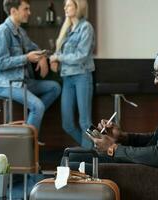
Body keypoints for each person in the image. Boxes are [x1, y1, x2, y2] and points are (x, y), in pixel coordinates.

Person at [64, 42, 158, 170]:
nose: (155, 81)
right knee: (70, 156)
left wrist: (113, 148)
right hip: (151, 169)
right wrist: (123, 137)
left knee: (69, 164)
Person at [0, 0, 61, 145]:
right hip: (2, 83)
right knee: (38, 106)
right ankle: (26, 144)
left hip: (20, 81)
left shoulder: (20, 31)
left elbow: (33, 47)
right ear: (13, 11)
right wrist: (26, 57)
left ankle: (28, 126)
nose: (29, 12)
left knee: (54, 87)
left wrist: (42, 58)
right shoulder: (2, 32)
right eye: (26, 9)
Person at [49, 0, 95, 148]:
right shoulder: (67, 29)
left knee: (85, 122)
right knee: (67, 123)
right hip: (67, 78)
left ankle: (89, 158)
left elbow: (81, 55)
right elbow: (59, 52)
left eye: (68, 5)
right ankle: (91, 150)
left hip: (82, 76)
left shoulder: (86, 28)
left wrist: (59, 58)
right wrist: (54, 58)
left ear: (78, 7)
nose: (65, 8)